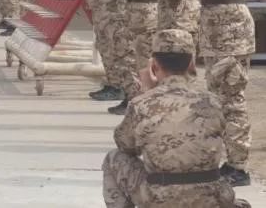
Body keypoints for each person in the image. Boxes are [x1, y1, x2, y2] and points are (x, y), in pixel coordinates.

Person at [102, 28, 250, 208]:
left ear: (154, 66)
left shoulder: (141, 104)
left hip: (160, 199)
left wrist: (146, 93)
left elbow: (124, 145)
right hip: (211, 197)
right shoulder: (213, 102)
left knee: (114, 158)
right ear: (191, 65)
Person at [164, 0, 254, 187]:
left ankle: (238, 166)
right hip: (219, 29)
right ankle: (226, 160)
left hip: (231, 31)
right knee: (218, 97)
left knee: (232, 99)